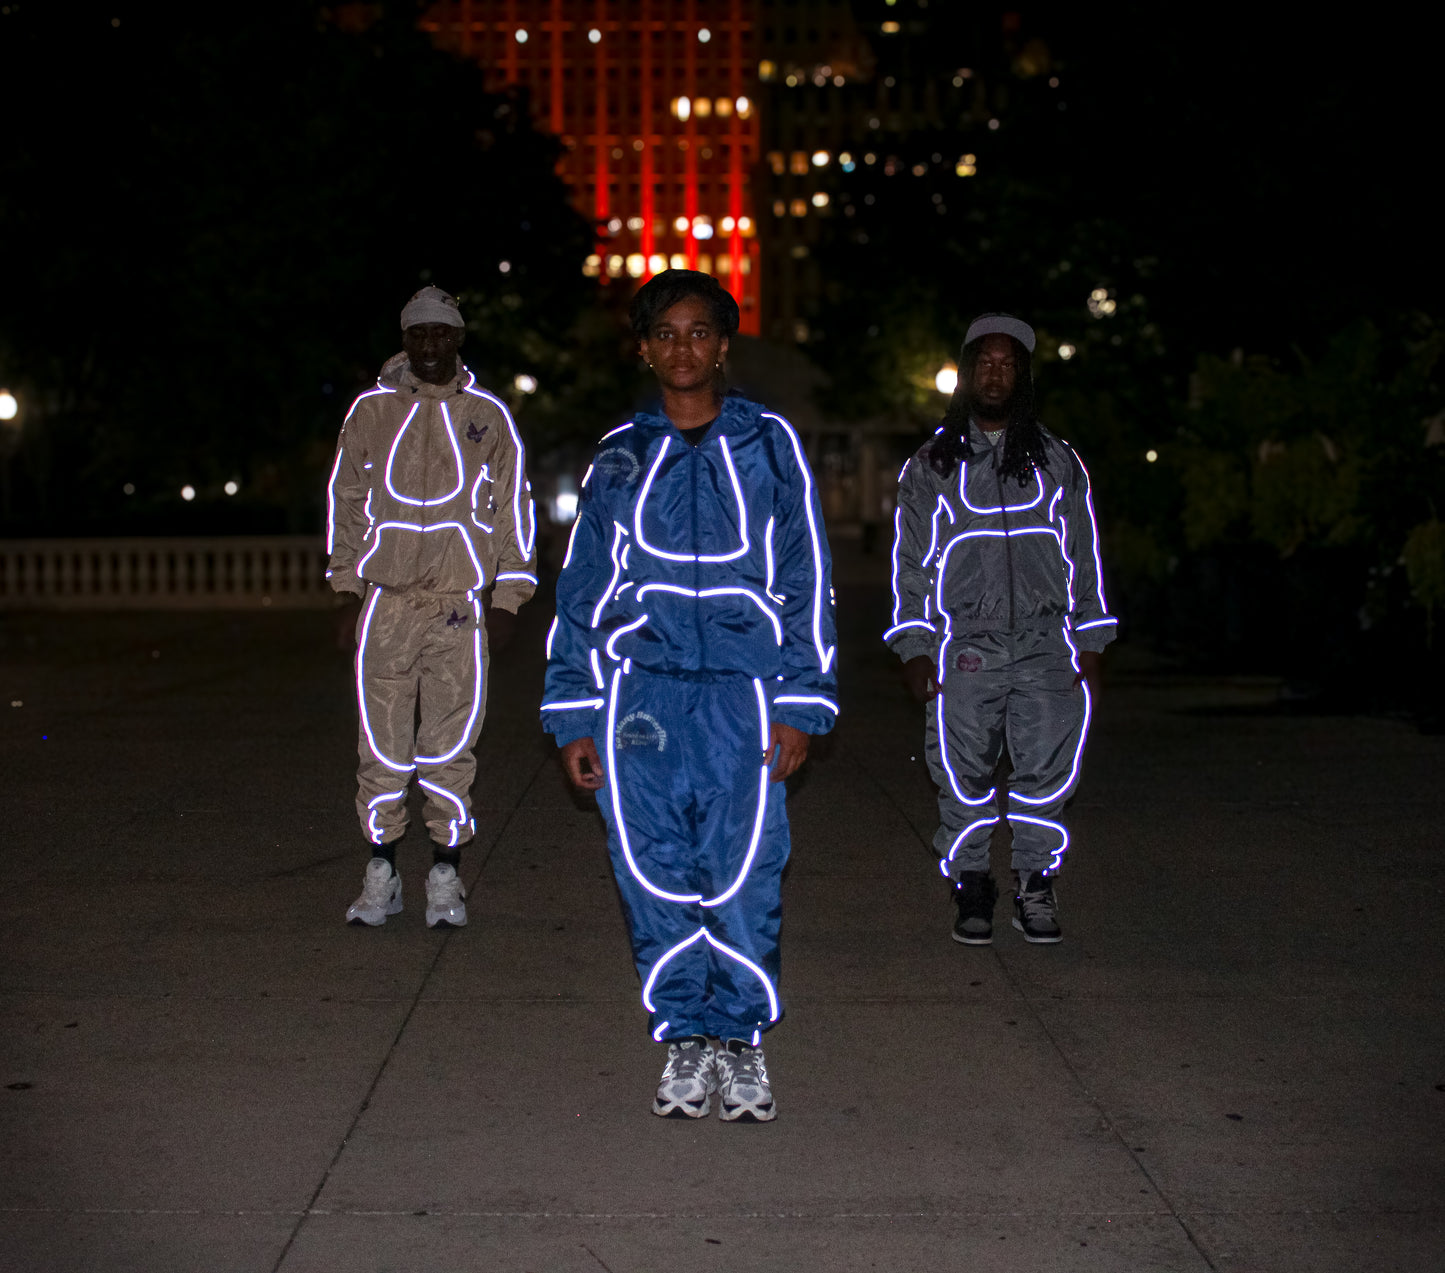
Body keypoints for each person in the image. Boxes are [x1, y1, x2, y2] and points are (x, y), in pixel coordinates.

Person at [541, 270, 837, 1122]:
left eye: (698, 331)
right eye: (664, 333)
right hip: (641, 697)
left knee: (744, 872)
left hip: (744, 698)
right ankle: (684, 1033)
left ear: (723, 344)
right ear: (642, 347)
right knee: (653, 874)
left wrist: (801, 702)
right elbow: (583, 592)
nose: (682, 347)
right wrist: (570, 711)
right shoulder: (620, 456)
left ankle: (740, 1039)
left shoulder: (768, 443)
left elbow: (804, 578)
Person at [885, 313, 1115, 945]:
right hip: (966, 648)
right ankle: (974, 884)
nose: (995, 372)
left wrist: (1091, 637)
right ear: (966, 373)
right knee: (963, 774)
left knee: (1047, 772)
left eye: (1007, 363)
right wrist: (913, 643)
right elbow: (910, 561)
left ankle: (1035, 884)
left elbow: (1083, 549)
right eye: (983, 362)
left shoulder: (1055, 460)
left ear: (1023, 375)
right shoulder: (933, 463)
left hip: (1047, 645)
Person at [327, 286, 537, 929]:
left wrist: (509, 597)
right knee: (382, 746)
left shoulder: (489, 416)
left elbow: (513, 511)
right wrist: (345, 591)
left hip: (459, 606)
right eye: (416, 334)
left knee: (451, 743)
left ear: (457, 338)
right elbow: (347, 497)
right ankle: (382, 869)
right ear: (404, 338)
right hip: (387, 603)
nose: (427, 345)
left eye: (439, 334)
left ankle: (446, 873)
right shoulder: (370, 412)